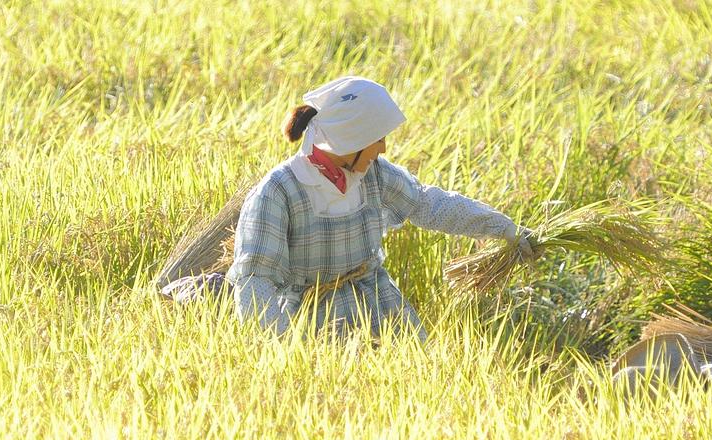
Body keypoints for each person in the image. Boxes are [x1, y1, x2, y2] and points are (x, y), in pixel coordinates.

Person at [225, 75, 539, 340]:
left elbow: (429, 203)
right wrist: (278, 351)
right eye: (378, 139)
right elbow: (256, 282)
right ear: (351, 139)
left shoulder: (373, 175)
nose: (384, 148)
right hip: (313, 324)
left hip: (381, 308)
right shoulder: (278, 192)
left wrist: (501, 227)